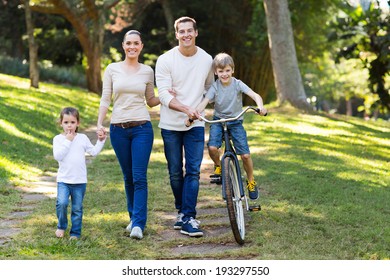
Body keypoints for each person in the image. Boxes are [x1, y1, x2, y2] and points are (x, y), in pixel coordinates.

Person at [97, 30, 160, 240]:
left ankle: (138, 224)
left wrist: (168, 95)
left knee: (139, 176)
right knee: (128, 177)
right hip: (118, 130)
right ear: (123, 46)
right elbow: (106, 99)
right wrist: (100, 123)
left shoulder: (147, 71)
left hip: (142, 128)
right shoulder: (112, 69)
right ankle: (133, 217)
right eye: (128, 43)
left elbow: (150, 99)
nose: (132, 47)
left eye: (136, 43)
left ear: (141, 46)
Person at [155, 16, 214, 238]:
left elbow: (209, 88)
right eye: (182, 31)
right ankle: (181, 211)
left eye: (190, 31)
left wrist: (197, 109)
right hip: (170, 124)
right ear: (176, 34)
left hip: (196, 125)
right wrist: (185, 109)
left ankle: (188, 217)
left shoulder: (207, 59)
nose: (186, 34)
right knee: (174, 173)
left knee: (193, 171)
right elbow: (163, 95)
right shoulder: (165, 60)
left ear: (196, 33)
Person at [193, 52, 267, 200]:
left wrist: (260, 107)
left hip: (236, 121)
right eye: (221, 71)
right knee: (213, 148)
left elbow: (255, 95)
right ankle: (219, 166)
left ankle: (251, 180)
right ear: (216, 72)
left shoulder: (238, 84)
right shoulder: (215, 87)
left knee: (245, 155)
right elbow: (205, 101)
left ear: (232, 70)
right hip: (219, 121)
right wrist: (195, 113)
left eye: (227, 70)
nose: (224, 74)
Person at [53, 107, 106, 240]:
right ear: (61, 123)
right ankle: (61, 225)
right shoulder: (58, 139)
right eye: (66, 122)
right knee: (62, 203)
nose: (69, 125)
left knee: (77, 208)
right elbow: (58, 156)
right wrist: (68, 141)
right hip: (64, 180)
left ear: (78, 123)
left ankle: (75, 233)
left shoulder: (82, 138)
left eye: (72, 122)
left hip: (79, 181)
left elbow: (93, 152)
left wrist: (101, 141)